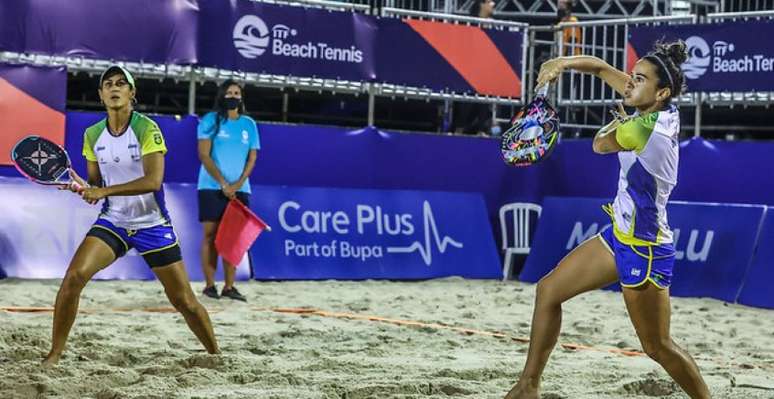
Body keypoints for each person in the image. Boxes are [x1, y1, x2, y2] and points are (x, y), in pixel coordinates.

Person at [504, 41, 712, 399]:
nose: (630, 84)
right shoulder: (661, 107)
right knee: (548, 290)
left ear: (660, 92)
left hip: (644, 248)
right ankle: (528, 386)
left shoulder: (643, 129)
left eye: (639, 79)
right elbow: (600, 67)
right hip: (619, 235)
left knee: (657, 346)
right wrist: (561, 62)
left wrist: (619, 122)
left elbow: (599, 144)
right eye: (632, 76)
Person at [43, 65, 220, 366]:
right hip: (114, 222)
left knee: (184, 302)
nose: (114, 88)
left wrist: (102, 193)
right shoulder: (92, 135)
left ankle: (215, 354)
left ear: (131, 93)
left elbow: (153, 181)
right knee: (74, 277)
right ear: (101, 95)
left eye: (121, 84)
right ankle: (54, 354)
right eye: (108, 84)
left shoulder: (146, 128)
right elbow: (98, 185)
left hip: (152, 224)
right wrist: (85, 188)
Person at [197, 80, 259, 302]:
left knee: (232, 239)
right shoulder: (210, 121)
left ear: (241, 97)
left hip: (240, 189)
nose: (233, 96)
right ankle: (209, 286)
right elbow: (204, 155)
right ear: (222, 95)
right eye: (229, 92)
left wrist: (238, 183)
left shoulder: (249, 124)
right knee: (211, 236)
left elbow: (252, 157)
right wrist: (223, 183)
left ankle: (229, 287)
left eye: (237, 93)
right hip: (211, 186)